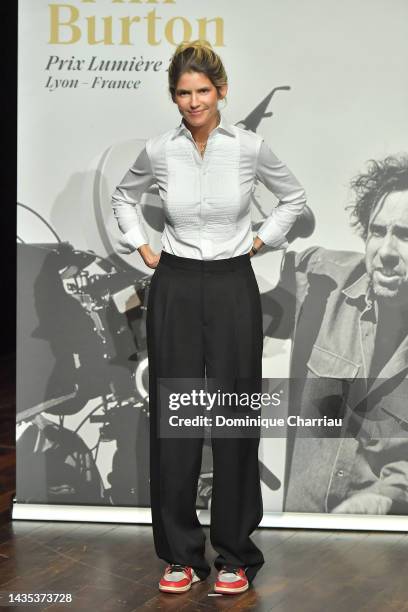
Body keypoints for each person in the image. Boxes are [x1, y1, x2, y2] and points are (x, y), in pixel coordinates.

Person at [111, 40, 307, 595]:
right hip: (173, 285)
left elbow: (293, 197)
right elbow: (124, 198)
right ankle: (179, 555)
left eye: (202, 91)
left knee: (233, 421)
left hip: (230, 286)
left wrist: (261, 240)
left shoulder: (249, 148)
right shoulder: (158, 151)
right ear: (173, 97)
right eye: (182, 92)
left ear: (221, 91)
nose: (193, 102)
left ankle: (234, 556)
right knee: (175, 420)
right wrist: (142, 248)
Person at [265, 155, 408, 515]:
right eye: (378, 231)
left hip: (373, 555)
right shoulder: (318, 280)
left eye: (405, 236)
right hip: (287, 534)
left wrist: (384, 498)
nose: (387, 252)